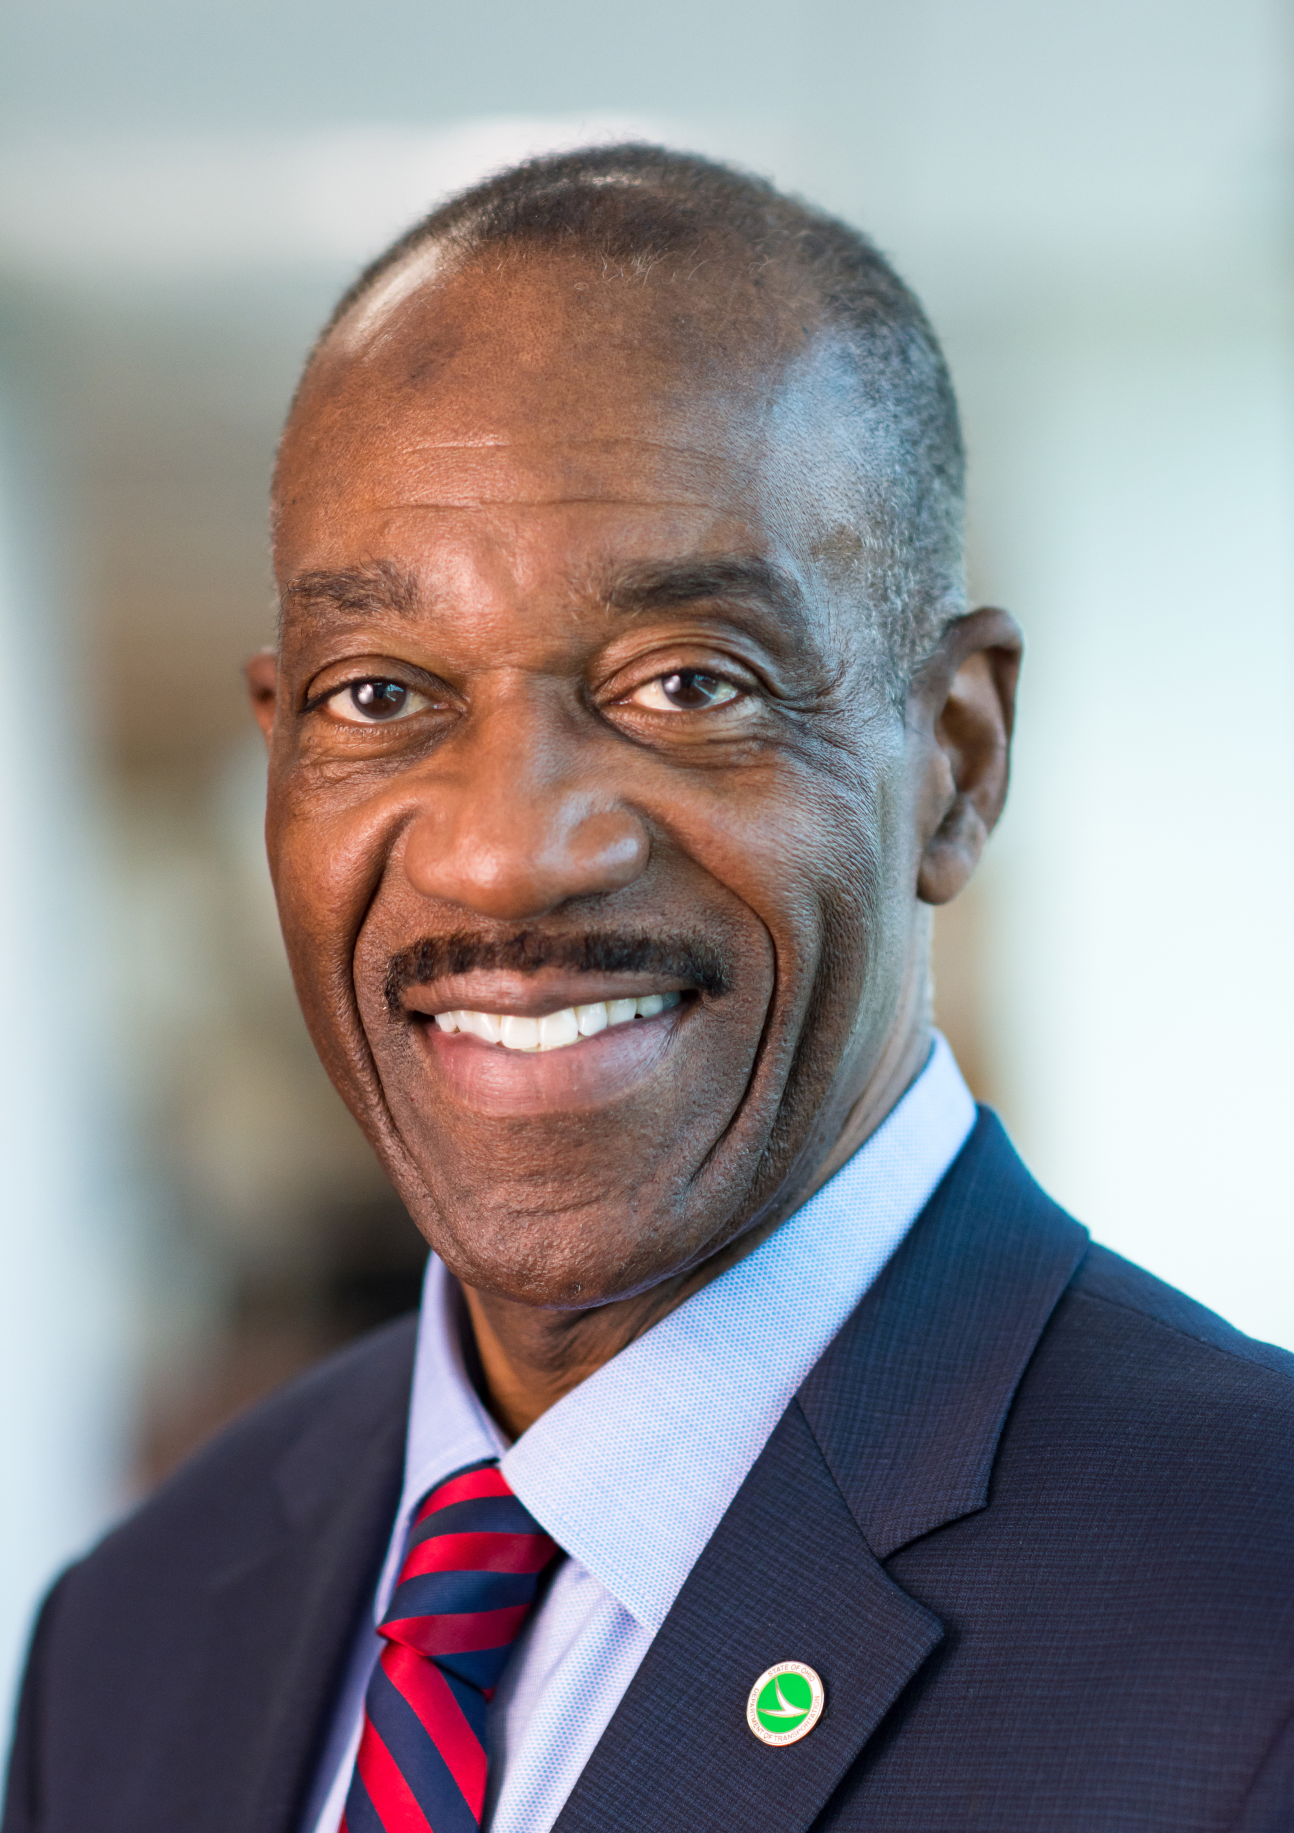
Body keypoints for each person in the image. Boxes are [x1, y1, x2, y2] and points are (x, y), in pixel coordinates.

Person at [5, 144, 1292, 1833]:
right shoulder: (138, 1628)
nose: (504, 852)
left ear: (955, 760)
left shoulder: (1253, 1611)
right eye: (381, 695)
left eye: (687, 680)